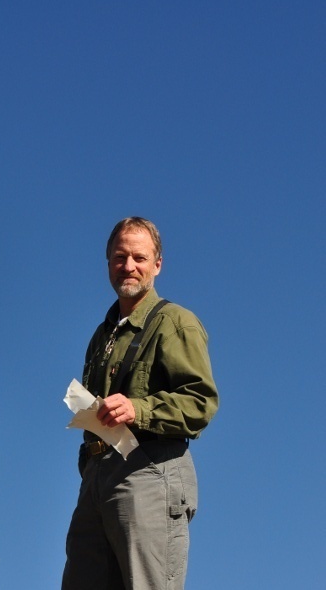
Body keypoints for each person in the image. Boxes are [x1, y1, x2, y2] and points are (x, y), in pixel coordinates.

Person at [62, 217, 219, 590]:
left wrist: (138, 409)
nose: (128, 266)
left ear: (157, 264)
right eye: (120, 257)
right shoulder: (101, 335)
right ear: (108, 263)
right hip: (97, 477)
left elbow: (200, 402)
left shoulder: (175, 322)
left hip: (149, 471)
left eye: (139, 257)